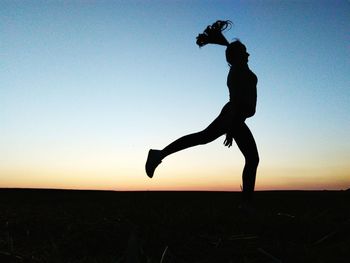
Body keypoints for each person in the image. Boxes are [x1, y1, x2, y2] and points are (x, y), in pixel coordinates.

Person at [145, 20, 259, 203]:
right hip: (233, 115)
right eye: (244, 52)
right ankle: (247, 205)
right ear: (237, 57)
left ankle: (159, 154)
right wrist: (232, 126)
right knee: (250, 158)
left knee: (205, 138)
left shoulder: (240, 68)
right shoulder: (238, 71)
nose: (248, 54)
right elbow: (238, 101)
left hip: (234, 116)